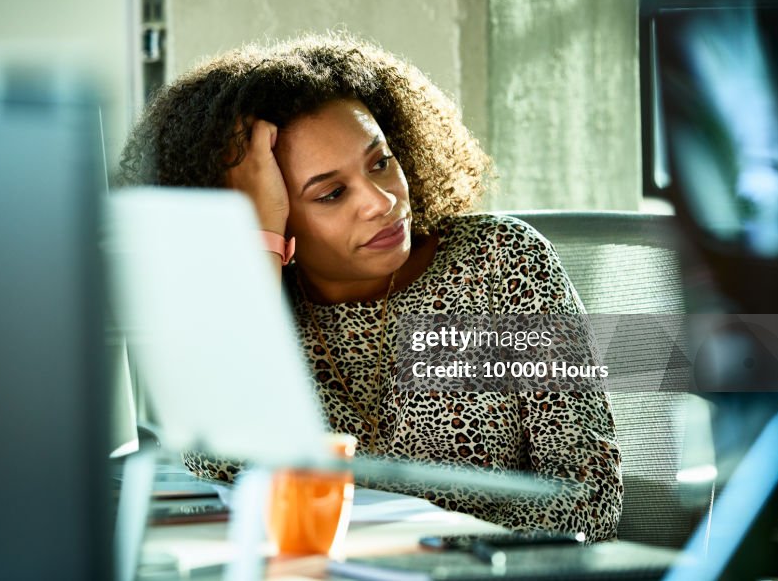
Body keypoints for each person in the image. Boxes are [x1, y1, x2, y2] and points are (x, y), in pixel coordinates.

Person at [117, 33, 623, 541]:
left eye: (380, 162)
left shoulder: (502, 262)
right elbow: (219, 459)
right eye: (332, 193)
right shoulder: (263, 307)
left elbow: (589, 497)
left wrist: (443, 556)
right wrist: (260, 245)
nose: (381, 201)